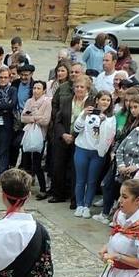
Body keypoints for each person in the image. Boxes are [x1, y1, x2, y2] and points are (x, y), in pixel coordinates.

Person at [48, 75, 92, 205]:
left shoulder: (91, 103)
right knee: (58, 166)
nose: (79, 89)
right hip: (63, 138)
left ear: (87, 89)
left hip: (80, 140)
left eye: (82, 87)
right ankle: (58, 194)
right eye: (77, 86)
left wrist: (74, 135)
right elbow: (58, 120)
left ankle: (75, 198)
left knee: (75, 170)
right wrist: (63, 134)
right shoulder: (67, 100)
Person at [73, 90, 117, 218]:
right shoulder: (87, 112)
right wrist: (82, 116)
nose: (105, 102)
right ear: (97, 100)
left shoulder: (111, 117)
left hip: (98, 153)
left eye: (108, 100)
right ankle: (79, 204)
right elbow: (76, 129)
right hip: (82, 149)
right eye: (103, 99)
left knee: (92, 181)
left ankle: (87, 206)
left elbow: (110, 135)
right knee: (80, 180)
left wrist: (104, 121)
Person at [19, 79, 51, 196]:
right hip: (28, 134)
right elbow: (23, 118)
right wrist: (34, 118)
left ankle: (43, 189)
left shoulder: (47, 102)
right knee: (26, 161)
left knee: (37, 164)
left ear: (44, 91)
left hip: (40, 135)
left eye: (38, 88)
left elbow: (46, 120)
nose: (36, 91)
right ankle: (26, 188)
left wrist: (33, 116)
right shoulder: (29, 101)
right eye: (34, 88)